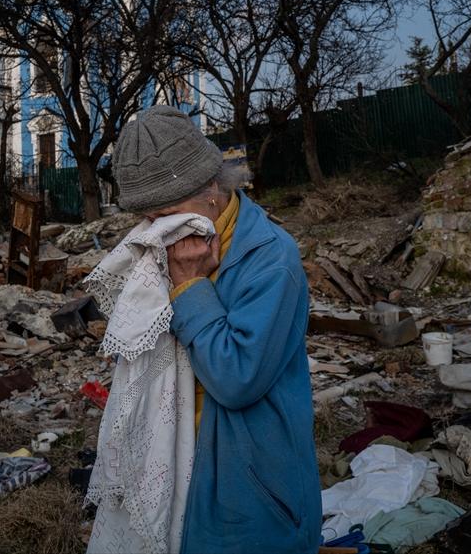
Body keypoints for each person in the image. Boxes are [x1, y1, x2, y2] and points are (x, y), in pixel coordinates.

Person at [110, 105, 321, 554]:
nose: (159, 228)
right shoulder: (169, 245)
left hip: (251, 487)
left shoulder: (270, 260)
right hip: (182, 467)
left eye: (167, 213)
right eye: (148, 218)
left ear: (210, 187)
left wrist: (189, 287)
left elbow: (237, 377)